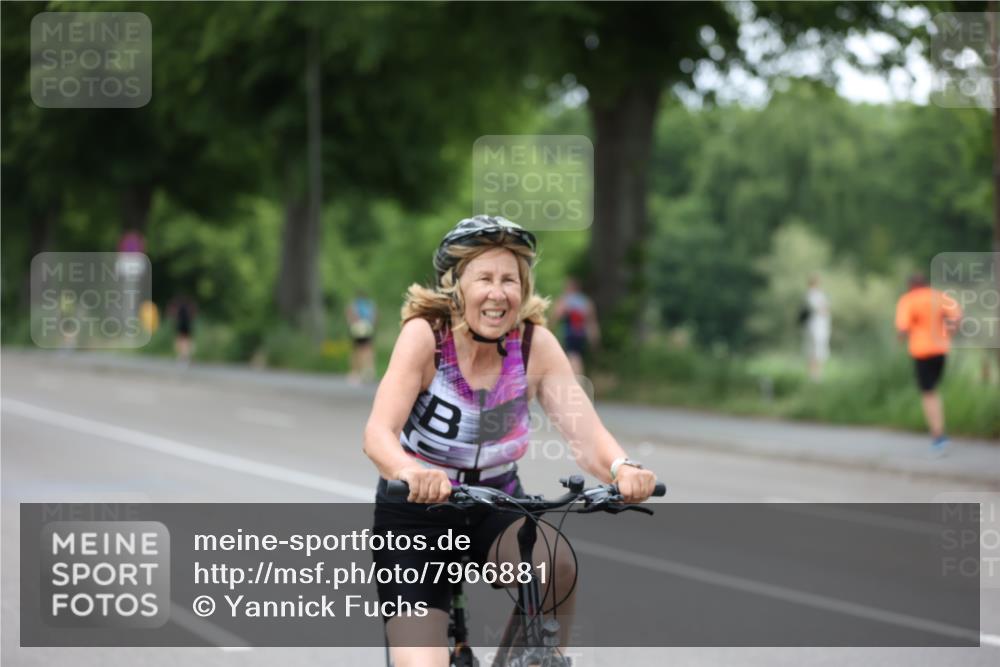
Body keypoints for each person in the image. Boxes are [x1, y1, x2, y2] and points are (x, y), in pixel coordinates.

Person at [363, 215, 658, 667]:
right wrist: (411, 472)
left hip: (494, 502)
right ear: (455, 285)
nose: (498, 293)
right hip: (416, 514)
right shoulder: (425, 337)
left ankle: (538, 660)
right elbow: (378, 434)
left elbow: (586, 434)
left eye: (510, 280)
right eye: (484, 278)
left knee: (556, 564)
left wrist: (622, 468)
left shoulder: (534, 344)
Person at [894, 273, 963, 457]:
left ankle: (938, 436)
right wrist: (950, 333)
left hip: (921, 352)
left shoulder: (908, 300)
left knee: (928, 393)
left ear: (910, 286)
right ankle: (939, 433)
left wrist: (900, 340)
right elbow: (957, 316)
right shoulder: (938, 296)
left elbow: (902, 329)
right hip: (941, 350)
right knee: (934, 390)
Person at [552, 277, 599, 376]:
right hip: (581, 334)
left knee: (573, 357)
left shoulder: (564, 300)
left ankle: (577, 382)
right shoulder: (585, 301)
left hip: (569, 333)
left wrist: (550, 329)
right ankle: (577, 380)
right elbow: (592, 323)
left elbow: (556, 315)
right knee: (577, 357)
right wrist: (594, 340)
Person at [802, 276, 831, 381]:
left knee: (816, 351)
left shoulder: (817, 294)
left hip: (818, 327)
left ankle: (816, 376)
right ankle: (815, 376)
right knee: (815, 351)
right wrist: (824, 308)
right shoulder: (812, 294)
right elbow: (822, 310)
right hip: (815, 328)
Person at [346, 290, 377, 383]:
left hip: (357, 329)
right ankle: (368, 371)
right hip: (367, 328)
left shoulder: (355, 304)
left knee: (356, 351)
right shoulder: (369, 304)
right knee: (368, 350)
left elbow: (350, 315)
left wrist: (352, 323)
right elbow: (374, 316)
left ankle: (355, 373)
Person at [168, 295, 197, 365]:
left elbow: (173, 314)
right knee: (186, 340)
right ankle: (185, 356)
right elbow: (193, 314)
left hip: (181, 325)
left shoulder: (179, 307)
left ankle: (183, 356)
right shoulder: (188, 307)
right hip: (187, 325)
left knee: (181, 340)